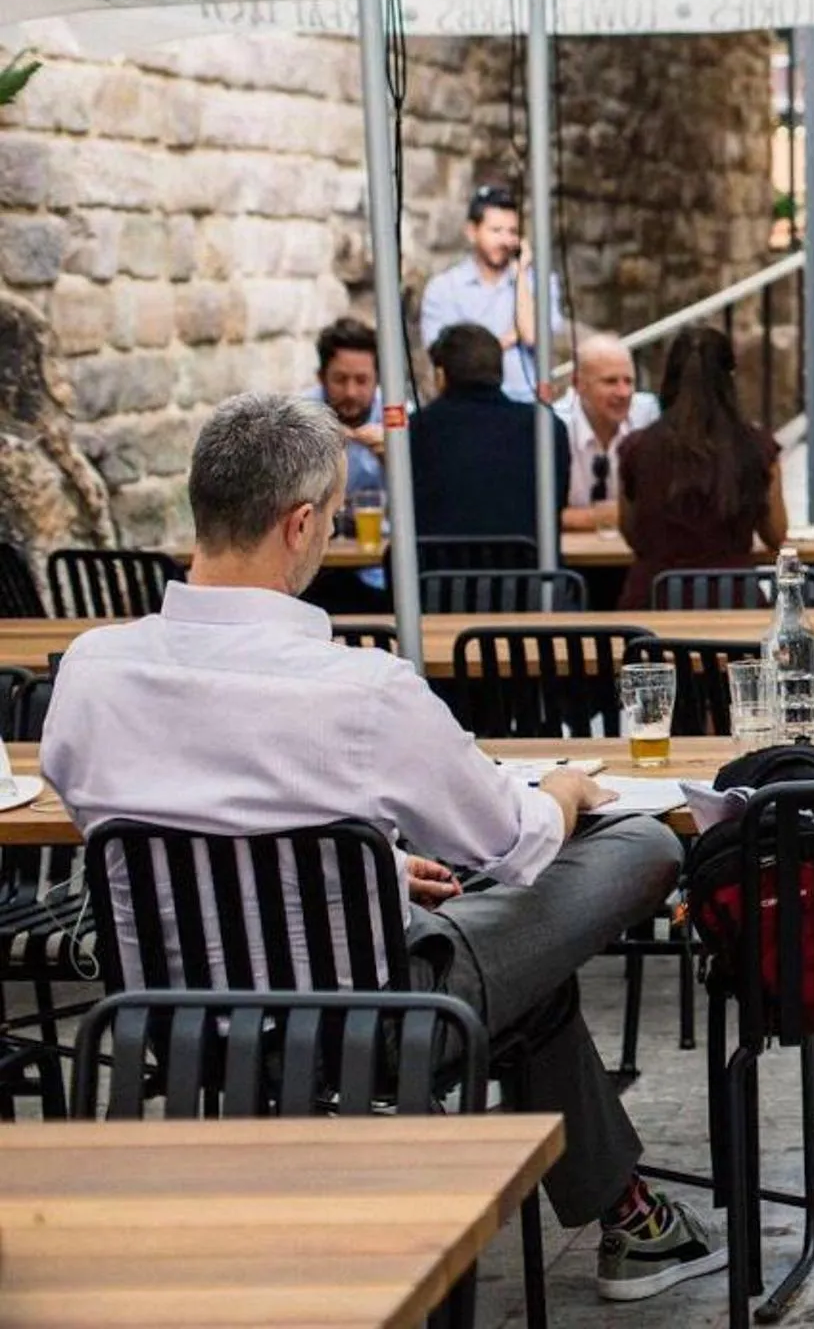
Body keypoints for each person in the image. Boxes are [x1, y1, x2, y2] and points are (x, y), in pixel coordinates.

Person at [41, 395, 726, 1301]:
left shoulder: (89, 672)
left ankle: (633, 1219)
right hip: (368, 1021)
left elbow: (160, 834)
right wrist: (563, 789)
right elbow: (513, 845)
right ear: (298, 526)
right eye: (328, 518)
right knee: (637, 844)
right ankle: (633, 1227)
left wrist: (363, 862)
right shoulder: (362, 690)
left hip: (164, 1020)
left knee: (522, 970)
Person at [616, 323, 786, 612]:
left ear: (668, 379)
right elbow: (775, 534)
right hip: (734, 604)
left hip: (653, 607)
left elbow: (632, 532)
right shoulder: (757, 448)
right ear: (730, 379)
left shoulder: (637, 448)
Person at [409, 323, 566, 547]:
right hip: (528, 576)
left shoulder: (417, 429)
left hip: (438, 577)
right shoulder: (546, 427)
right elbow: (556, 505)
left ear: (441, 375)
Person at [420, 181, 548, 402]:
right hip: (465, 406)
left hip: (526, 407)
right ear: (472, 232)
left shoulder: (537, 284)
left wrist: (520, 275)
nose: (506, 240)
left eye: (513, 232)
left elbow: (532, 335)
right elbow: (449, 360)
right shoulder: (444, 289)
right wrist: (508, 338)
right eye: (496, 230)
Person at [554, 331, 661, 532]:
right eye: (610, 381)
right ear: (578, 385)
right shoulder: (555, 426)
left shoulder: (646, 416)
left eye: (629, 381)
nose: (624, 393)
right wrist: (600, 517)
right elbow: (540, 515)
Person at [304, 315, 386, 499]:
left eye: (362, 381)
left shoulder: (398, 417)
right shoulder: (300, 416)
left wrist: (394, 460)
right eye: (340, 380)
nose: (351, 393)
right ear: (321, 378)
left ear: (378, 380)